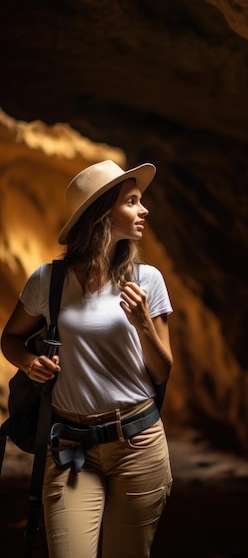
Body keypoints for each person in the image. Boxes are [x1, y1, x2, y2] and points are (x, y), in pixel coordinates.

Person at [1, 159, 173, 558]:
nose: (143, 210)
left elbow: (162, 371)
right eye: (132, 201)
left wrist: (144, 323)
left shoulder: (147, 280)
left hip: (138, 443)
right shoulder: (48, 281)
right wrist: (29, 362)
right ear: (101, 214)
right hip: (70, 448)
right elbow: (10, 338)